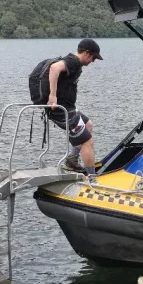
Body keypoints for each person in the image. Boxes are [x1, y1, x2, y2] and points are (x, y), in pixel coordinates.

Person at [28, 39, 103, 181]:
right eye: (94, 57)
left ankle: (72, 161)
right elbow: (55, 68)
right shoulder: (73, 62)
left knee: (88, 125)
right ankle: (93, 179)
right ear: (87, 53)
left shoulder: (73, 62)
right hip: (60, 110)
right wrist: (52, 96)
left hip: (68, 108)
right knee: (87, 141)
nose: (93, 61)